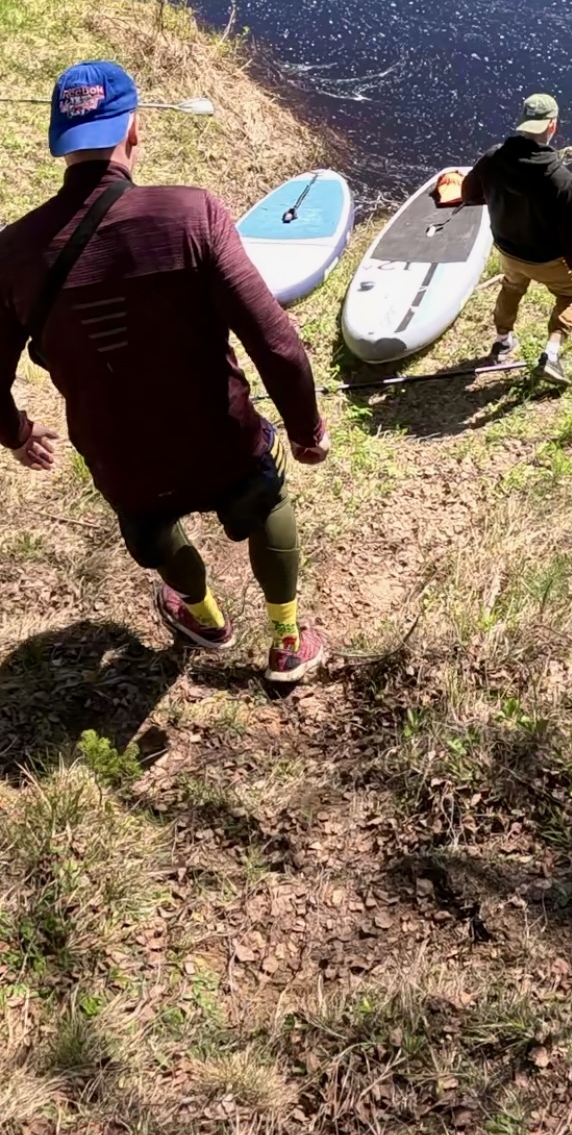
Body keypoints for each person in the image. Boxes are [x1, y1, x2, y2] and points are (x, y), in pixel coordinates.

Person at [0, 61, 330, 686]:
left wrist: (17, 432)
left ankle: (204, 619)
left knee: (150, 527)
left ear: (58, 143)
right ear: (134, 131)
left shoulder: (13, 252)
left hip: (122, 455)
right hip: (220, 436)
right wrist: (306, 428)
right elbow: (276, 343)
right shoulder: (192, 214)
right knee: (265, 502)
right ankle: (287, 640)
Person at [461, 91, 572, 386]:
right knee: (570, 295)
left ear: (522, 123)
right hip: (547, 259)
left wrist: (495, 196)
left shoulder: (493, 157)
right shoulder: (561, 178)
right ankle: (551, 356)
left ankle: (503, 340)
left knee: (512, 287)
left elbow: (468, 194)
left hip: (508, 251)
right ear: (552, 126)